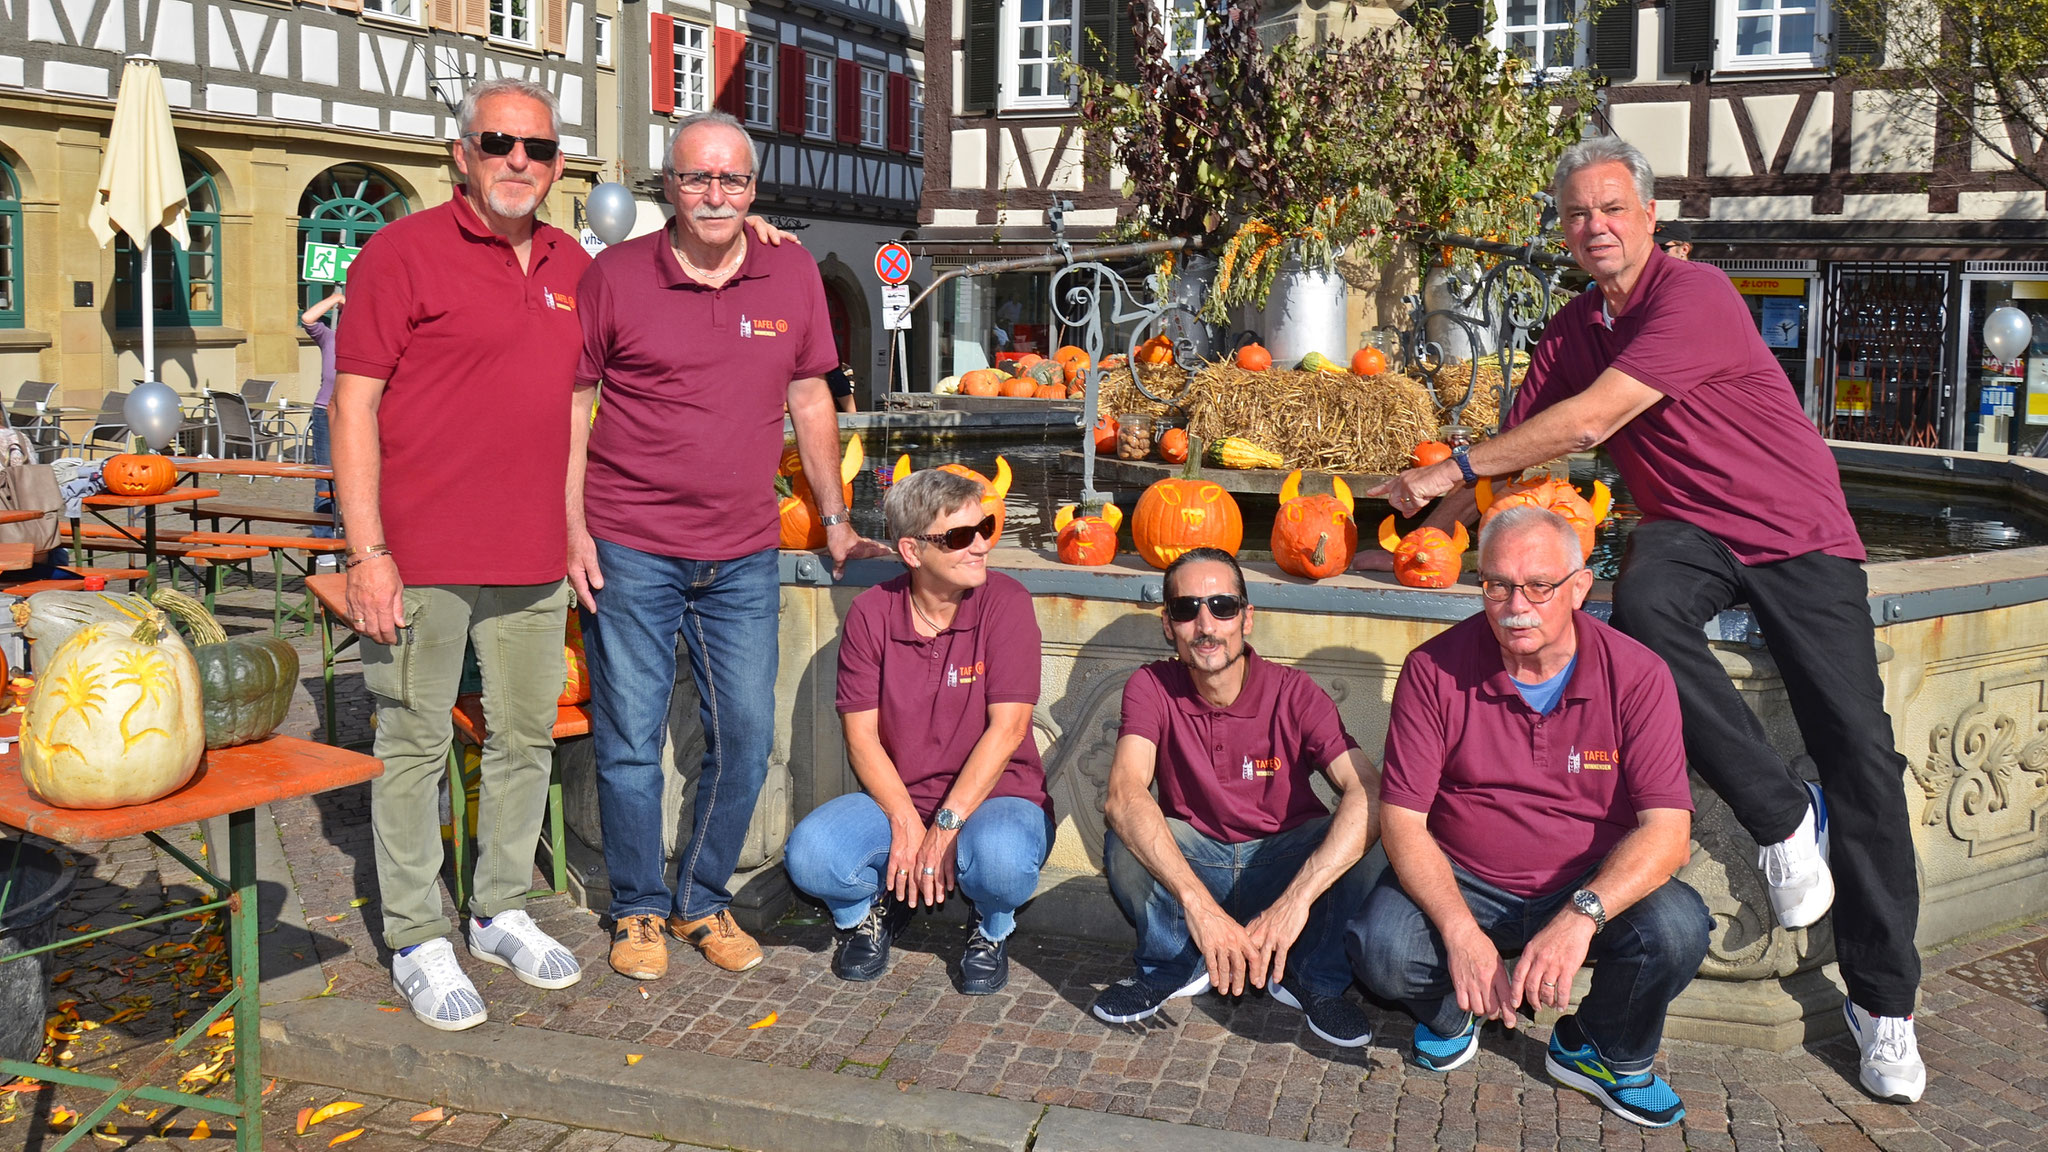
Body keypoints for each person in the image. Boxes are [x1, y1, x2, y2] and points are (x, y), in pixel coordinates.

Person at [1370, 135, 1926, 1103]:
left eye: (1612, 207)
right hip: (1686, 534)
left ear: (1649, 216)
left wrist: (1446, 471)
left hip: (1799, 534)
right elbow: (1512, 451)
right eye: (1577, 213)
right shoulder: (1568, 330)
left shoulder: (1694, 296)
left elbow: (1586, 426)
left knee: (1860, 752)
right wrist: (1418, 532)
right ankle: (1779, 815)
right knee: (1641, 609)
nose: (1595, 227)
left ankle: (1883, 1007)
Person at [570, 109, 892, 981]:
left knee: (744, 736)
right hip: (631, 542)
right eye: (697, 177)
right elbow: (574, 404)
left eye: (732, 180)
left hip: (743, 550)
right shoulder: (617, 275)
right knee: (631, 738)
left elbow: (812, 398)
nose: (715, 193)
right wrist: (571, 529)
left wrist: (834, 514)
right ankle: (636, 909)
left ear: (753, 190)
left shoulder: (789, 270)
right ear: (666, 187)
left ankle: (700, 900)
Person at [332, 78, 587, 1031]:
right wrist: (368, 553)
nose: (520, 160)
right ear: (461, 154)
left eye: (539, 148)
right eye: (499, 143)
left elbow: (575, 412)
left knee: (525, 739)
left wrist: (760, 235)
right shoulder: (400, 254)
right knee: (411, 744)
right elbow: (351, 405)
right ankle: (413, 935)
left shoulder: (575, 264)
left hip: (531, 557)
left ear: (558, 165)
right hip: (420, 554)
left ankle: (498, 908)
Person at [1350, 507, 1709, 1128]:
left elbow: (1668, 831)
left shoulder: (1638, 674)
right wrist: (1461, 933)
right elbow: (1403, 820)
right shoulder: (1432, 670)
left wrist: (1580, 916)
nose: (1517, 604)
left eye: (1539, 586)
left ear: (1578, 587)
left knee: (1677, 930)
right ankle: (1449, 1010)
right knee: (1380, 949)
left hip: (1584, 877)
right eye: (1497, 584)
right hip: (1465, 875)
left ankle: (1599, 1047)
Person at [1090, 547, 1381, 1048]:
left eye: (1222, 607)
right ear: (1168, 625)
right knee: (1127, 836)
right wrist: (1199, 907)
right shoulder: (1151, 686)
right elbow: (1122, 792)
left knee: (1375, 835)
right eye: (1186, 609)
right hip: (1198, 859)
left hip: (1282, 859)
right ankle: (1173, 965)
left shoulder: (1293, 692)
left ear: (1247, 618)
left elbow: (1368, 790)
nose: (1206, 624)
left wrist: (1294, 903)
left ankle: (1315, 980)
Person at [783, 468, 1049, 994]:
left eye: (985, 528)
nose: (979, 546)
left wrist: (945, 826)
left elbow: (1010, 728)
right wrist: (906, 821)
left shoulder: (1007, 602)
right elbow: (861, 737)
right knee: (810, 857)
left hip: (999, 796)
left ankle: (991, 928)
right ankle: (869, 912)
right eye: (957, 536)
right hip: (900, 796)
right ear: (911, 551)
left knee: (1001, 863)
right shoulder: (871, 613)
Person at [299, 289, 344, 541]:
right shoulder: (329, 337)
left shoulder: (369, 341)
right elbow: (308, 319)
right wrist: (336, 298)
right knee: (324, 476)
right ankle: (324, 537)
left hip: (355, 414)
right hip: (324, 411)